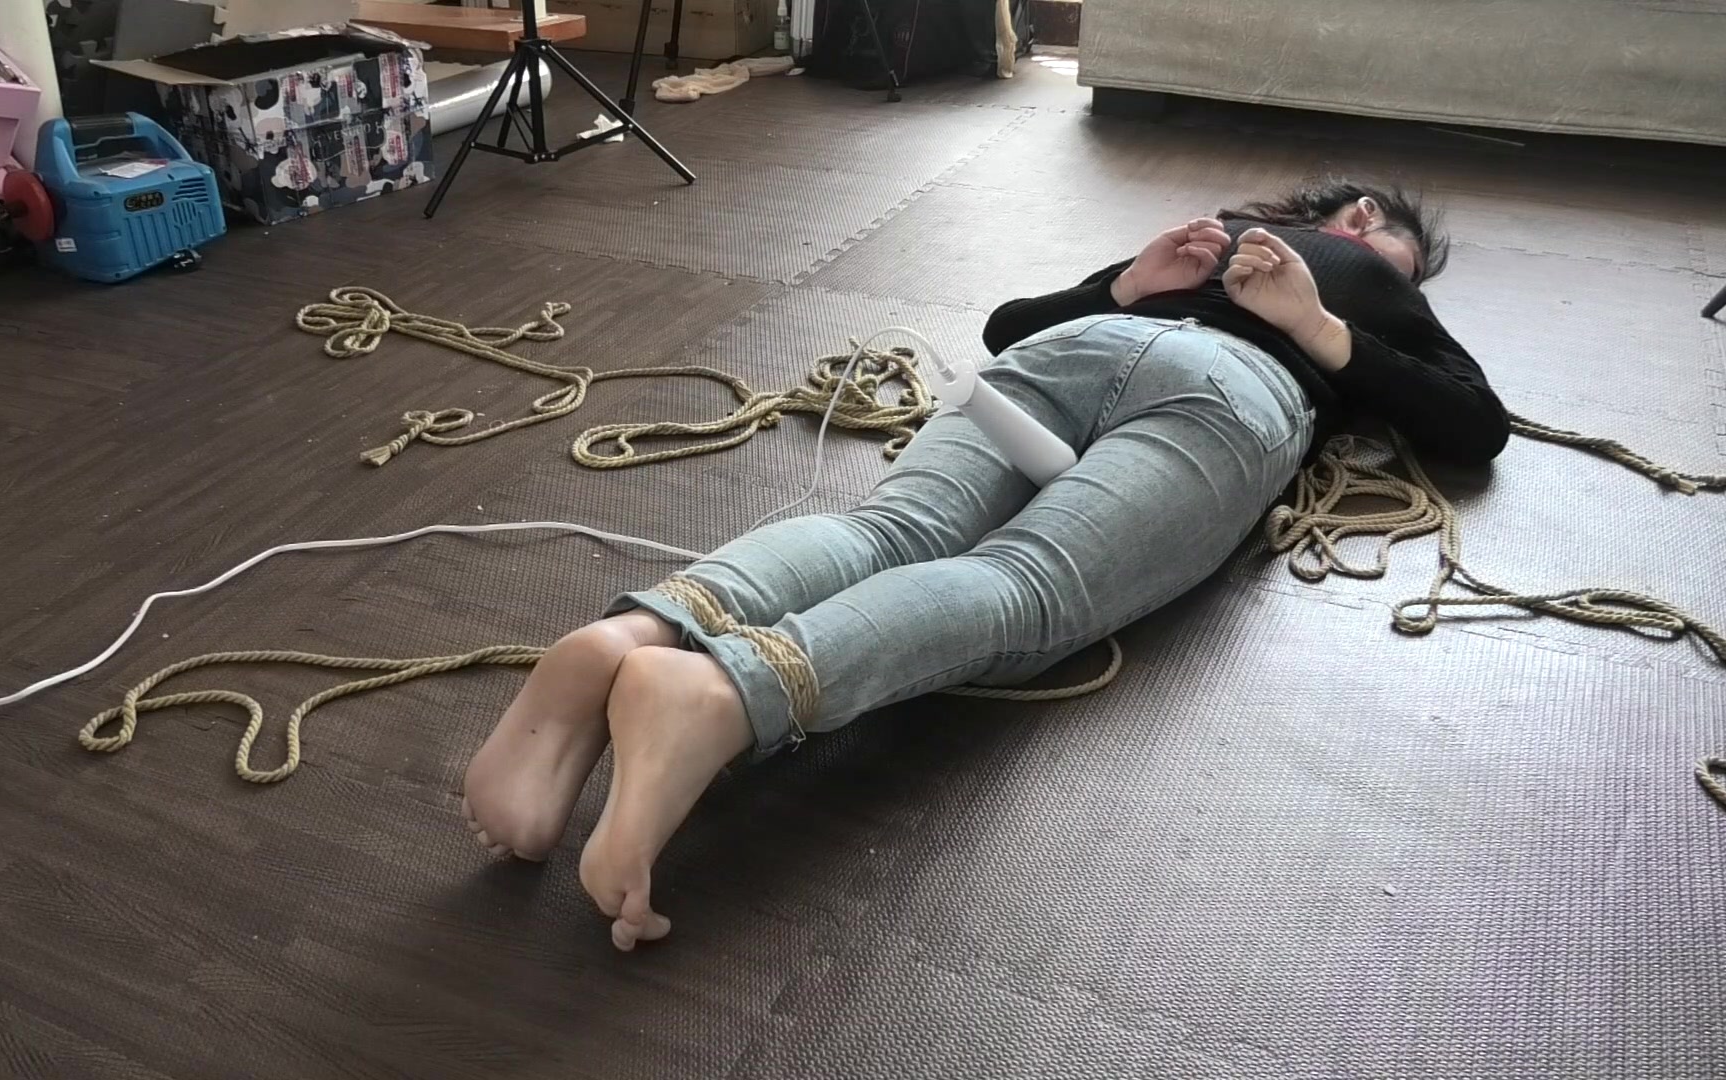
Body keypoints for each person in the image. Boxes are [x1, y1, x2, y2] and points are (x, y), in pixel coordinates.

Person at [460, 177, 1510, 951]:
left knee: (890, 528)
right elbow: (1474, 425)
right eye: (1404, 259)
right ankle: (722, 696)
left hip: (1067, 356)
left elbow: (1012, 329)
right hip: (1229, 395)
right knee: (1025, 585)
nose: (1402, 276)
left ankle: (638, 632)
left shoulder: (1212, 236)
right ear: (1363, 221)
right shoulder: (1379, 283)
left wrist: (1129, 285)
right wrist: (1320, 328)